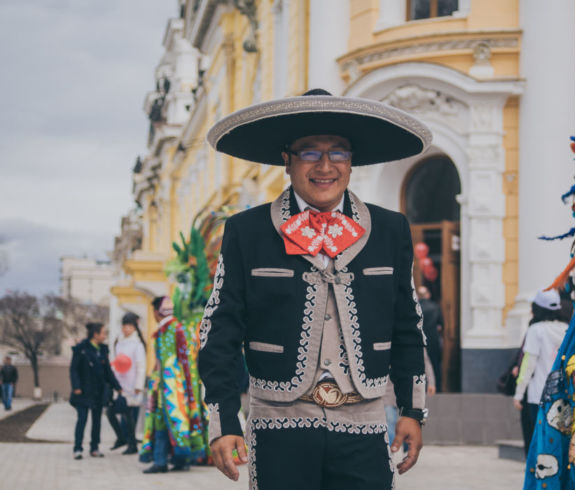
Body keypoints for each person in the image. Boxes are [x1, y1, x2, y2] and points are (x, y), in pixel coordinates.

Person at [199, 89, 431, 489]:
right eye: (309, 152)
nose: (325, 166)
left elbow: (407, 326)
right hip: (280, 422)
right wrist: (222, 418)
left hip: (364, 420)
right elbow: (220, 329)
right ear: (286, 160)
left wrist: (413, 410)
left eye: (338, 152)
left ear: (351, 161)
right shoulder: (246, 231)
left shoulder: (391, 229)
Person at [140, 296, 208, 474]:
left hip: (175, 388)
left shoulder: (176, 329)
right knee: (164, 422)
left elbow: (185, 361)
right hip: (168, 387)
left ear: (156, 312)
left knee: (173, 422)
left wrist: (188, 391)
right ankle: (167, 460)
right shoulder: (167, 330)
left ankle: (170, 460)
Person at [513, 289, 568, 455]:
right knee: (557, 444)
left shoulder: (536, 330)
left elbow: (528, 365)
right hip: (562, 395)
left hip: (538, 396)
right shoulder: (567, 328)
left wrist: (518, 394)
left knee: (537, 444)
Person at [69, 322, 122, 460]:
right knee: (82, 419)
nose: (105, 336)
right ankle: (78, 448)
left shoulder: (103, 350)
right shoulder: (81, 349)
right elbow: (74, 369)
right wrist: (76, 387)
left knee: (97, 420)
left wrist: (117, 386)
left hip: (98, 392)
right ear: (95, 334)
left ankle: (94, 447)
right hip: (83, 392)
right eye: (103, 333)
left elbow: (108, 371)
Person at [107, 312, 146, 455]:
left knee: (129, 416)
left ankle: (131, 444)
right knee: (112, 412)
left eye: (129, 326)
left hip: (132, 385)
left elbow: (141, 366)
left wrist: (138, 386)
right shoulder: (119, 342)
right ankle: (122, 438)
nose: (126, 329)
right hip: (120, 384)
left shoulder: (137, 345)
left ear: (134, 327)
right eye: (124, 326)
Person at [417, 286, 443, 390]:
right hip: (433, 339)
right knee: (434, 363)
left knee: (421, 364)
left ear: (418, 296)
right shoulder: (435, 307)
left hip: (419, 339)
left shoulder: (416, 308)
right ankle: (437, 386)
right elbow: (440, 325)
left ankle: (422, 386)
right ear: (428, 295)